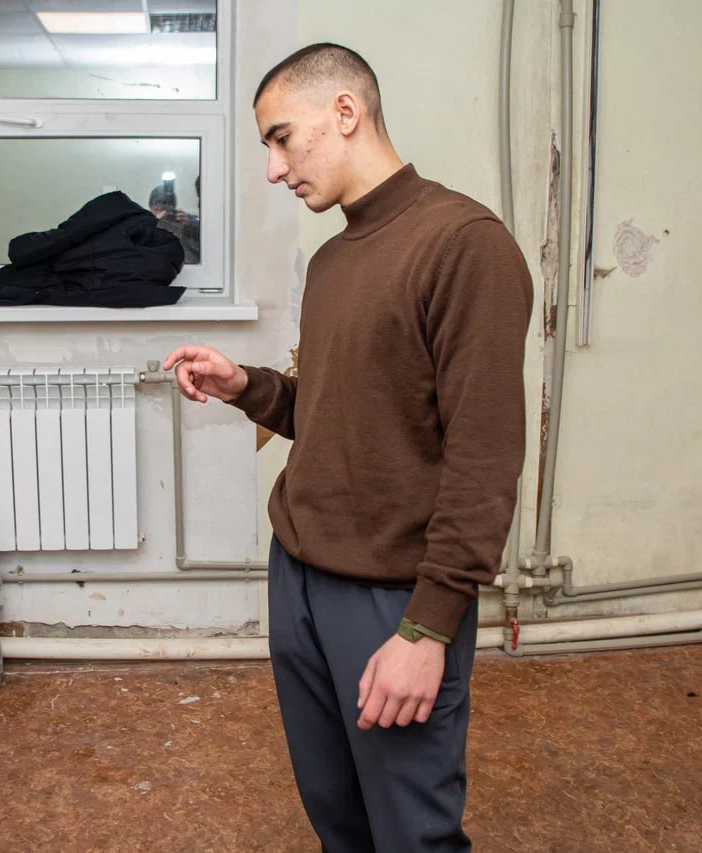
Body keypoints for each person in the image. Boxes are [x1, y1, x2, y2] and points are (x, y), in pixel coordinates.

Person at [164, 43, 532, 851]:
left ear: (344, 112)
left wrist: (426, 629)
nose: (273, 168)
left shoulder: (464, 244)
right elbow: (340, 413)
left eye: (281, 138)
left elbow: (484, 460)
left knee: (410, 831)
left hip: (391, 594)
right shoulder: (334, 258)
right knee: (339, 816)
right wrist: (246, 385)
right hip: (299, 573)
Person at [149, 182, 201, 264]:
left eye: (165, 209)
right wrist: (154, 224)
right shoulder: (145, 223)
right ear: (151, 208)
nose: (162, 213)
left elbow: (208, 239)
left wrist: (189, 227)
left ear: (173, 207)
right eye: (157, 209)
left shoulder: (184, 220)